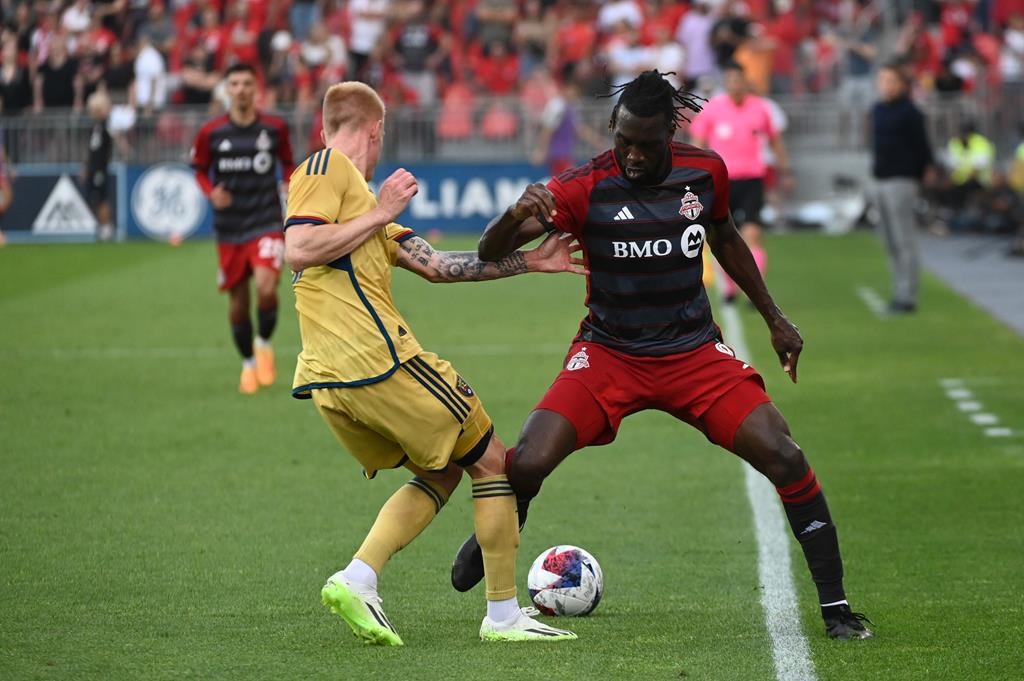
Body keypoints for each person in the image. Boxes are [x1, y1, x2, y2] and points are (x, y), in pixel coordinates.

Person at [450, 70, 873, 641]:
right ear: (613, 129)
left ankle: (837, 607)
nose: (632, 155)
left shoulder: (706, 171)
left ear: (668, 136)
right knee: (525, 461)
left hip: (693, 353)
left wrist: (774, 317)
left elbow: (724, 237)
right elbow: (489, 249)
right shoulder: (583, 185)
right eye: (623, 140)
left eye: (646, 145)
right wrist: (510, 215)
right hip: (609, 353)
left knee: (785, 455)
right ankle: (508, 516)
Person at [284, 81, 583, 645]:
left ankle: (358, 578)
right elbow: (298, 249)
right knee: (493, 461)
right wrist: (384, 212)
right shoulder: (325, 167)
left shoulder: (362, 204)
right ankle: (504, 616)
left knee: (443, 468)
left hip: (331, 379)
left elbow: (440, 265)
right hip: (379, 361)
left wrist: (532, 262)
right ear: (376, 130)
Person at [191, 63, 295, 394]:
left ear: (256, 89)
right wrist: (211, 192)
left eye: (247, 83)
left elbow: (289, 162)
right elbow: (199, 169)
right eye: (233, 83)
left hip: (265, 219)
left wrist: (289, 184)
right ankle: (248, 364)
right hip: (229, 226)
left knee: (266, 288)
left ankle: (263, 342)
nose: (240, 89)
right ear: (227, 90)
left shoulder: (275, 127)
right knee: (237, 302)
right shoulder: (211, 132)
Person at [689, 61, 794, 304]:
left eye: (739, 80)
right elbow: (698, 142)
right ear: (726, 83)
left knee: (753, 234)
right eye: (731, 80)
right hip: (722, 181)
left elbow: (775, 141)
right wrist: (695, 174)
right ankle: (729, 288)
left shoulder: (760, 108)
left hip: (752, 179)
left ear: (745, 81)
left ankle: (754, 290)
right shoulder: (713, 109)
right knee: (723, 237)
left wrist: (786, 170)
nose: (735, 85)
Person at [871, 62, 934, 314]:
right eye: (882, 80)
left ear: (901, 84)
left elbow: (923, 147)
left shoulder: (910, 112)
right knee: (888, 240)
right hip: (881, 179)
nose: (886, 86)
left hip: (902, 180)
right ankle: (899, 288)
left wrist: (921, 174)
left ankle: (907, 296)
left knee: (903, 239)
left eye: (891, 81)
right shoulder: (877, 109)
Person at [83, 90, 114, 242]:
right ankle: (101, 226)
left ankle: (106, 227)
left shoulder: (104, 127)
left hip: (100, 169)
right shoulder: (96, 128)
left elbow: (101, 151)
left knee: (101, 198)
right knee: (96, 198)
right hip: (94, 169)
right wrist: (87, 167)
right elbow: (91, 151)